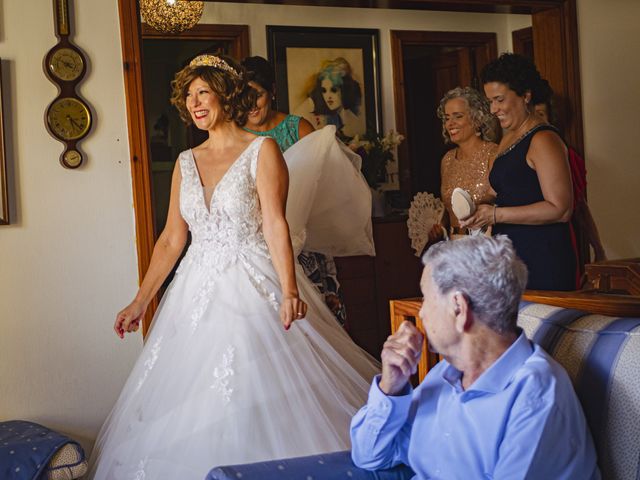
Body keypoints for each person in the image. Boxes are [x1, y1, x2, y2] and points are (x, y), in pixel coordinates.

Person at [88, 54, 380, 480]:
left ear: (225, 95)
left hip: (252, 282)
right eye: (188, 96)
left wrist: (290, 290)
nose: (194, 103)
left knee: (256, 387)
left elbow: (276, 225)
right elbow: (172, 239)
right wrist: (140, 300)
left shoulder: (263, 150)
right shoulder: (186, 162)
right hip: (194, 289)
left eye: (203, 92)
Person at [350, 235, 600, 479]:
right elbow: (369, 456)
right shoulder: (444, 374)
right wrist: (390, 388)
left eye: (426, 298)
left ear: (459, 308)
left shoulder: (536, 396)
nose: (422, 313)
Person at [242, 55, 348, 325]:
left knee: (318, 321)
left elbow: (325, 187)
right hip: (258, 247)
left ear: (273, 92)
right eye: (243, 96)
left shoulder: (297, 128)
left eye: (258, 95)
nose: (251, 105)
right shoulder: (235, 138)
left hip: (306, 244)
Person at [461, 53, 577, 290]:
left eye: (499, 100)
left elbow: (561, 209)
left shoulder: (544, 139)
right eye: (490, 101)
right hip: (511, 256)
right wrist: (476, 207)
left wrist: (495, 215)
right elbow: (499, 192)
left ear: (525, 95)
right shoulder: (507, 139)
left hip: (543, 256)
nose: (493, 109)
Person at [533, 97, 607, 265]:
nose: (536, 121)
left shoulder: (565, 155)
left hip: (555, 241)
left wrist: (598, 248)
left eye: (540, 114)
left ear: (551, 119)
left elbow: (580, 206)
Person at [429, 87, 499, 243]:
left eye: (458, 116)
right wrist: (440, 227)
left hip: (486, 244)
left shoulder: (493, 154)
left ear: (477, 119)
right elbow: (448, 209)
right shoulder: (447, 160)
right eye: (447, 118)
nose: (450, 124)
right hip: (454, 244)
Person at [293, 57, 366, 138]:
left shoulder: (348, 116)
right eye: (324, 91)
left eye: (334, 90)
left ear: (344, 90)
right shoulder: (310, 109)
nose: (328, 96)